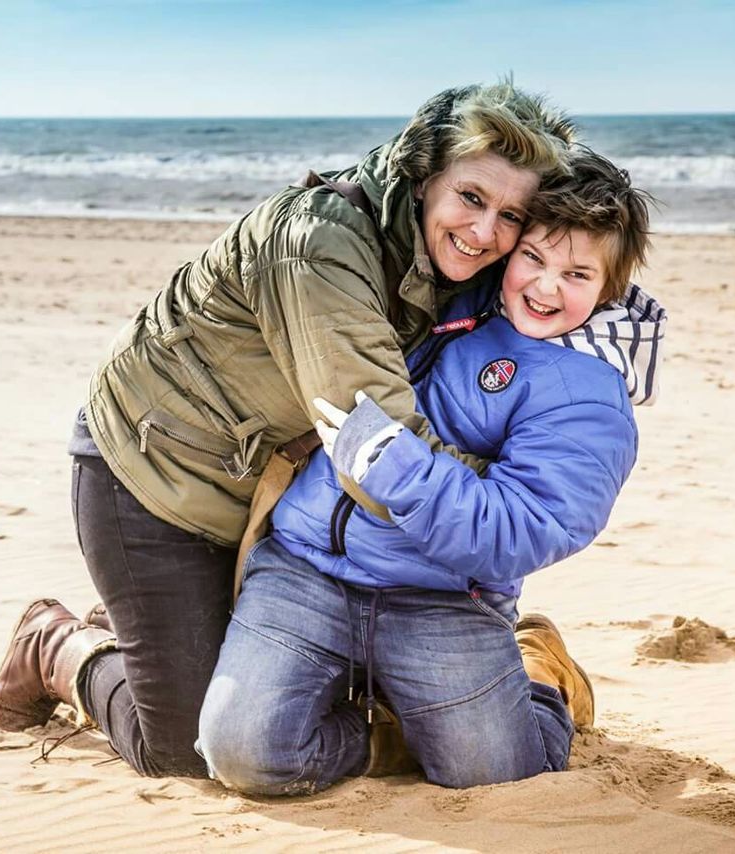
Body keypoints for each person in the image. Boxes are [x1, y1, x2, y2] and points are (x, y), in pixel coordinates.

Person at [0, 83, 577, 778]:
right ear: (423, 177)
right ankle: (57, 646)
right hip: (151, 480)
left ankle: (152, 625)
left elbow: (576, 280)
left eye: (512, 215)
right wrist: (515, 509)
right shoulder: (320, 246)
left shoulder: (457, 256)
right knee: (186, 748)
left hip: (268, 497)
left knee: (298, 696)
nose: (484, 232)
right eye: (471, 198)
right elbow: (377, 446)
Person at [195, 149, 668, 792]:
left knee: (495, 776)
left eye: (578, 274)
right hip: (306, 566)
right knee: (244, 755)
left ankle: (540, 672)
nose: (546, 286)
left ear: (610, 289)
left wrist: (397, 467)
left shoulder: (588, 395)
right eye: (533, 257)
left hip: (442, 600)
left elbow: (529, 525)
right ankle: (390, 735)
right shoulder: (446, 296)